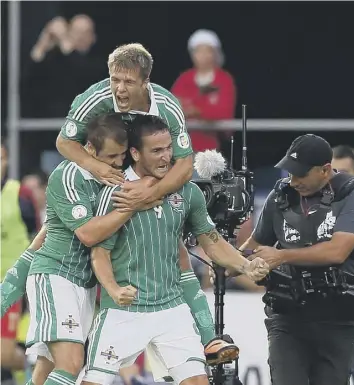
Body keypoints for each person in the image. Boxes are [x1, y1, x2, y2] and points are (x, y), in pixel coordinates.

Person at [4, 43, 237, 364]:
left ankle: (209, 337)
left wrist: (152, 193)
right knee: (50, 236)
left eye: (128, 81)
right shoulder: (95, 98)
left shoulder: (166, 104)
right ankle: (3, 301)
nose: (119, 88)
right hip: (100, 171)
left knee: (174, 249)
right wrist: (100, 168)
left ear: (146, 81)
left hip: (144, 176)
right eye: (115, 79)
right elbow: (64, 142)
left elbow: (184, 165)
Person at [83, 115, 269, 385]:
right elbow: (99, 252)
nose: (166, 157)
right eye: (156, 150)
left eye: (168, 148)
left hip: (171, 309)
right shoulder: (116, 192)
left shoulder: (187, 191)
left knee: (197, 382)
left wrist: (245, 265)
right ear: (135, 153)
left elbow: (211, 239)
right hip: (124, 310)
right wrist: (113, 289)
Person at [214, 134, 354, 385]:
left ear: (324, 170)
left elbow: (337, 251)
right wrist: (229, 265)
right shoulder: (280, 197)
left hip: (337, 317)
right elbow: (254, 245)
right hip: (288, 315)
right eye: (290, 172)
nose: (293, 180)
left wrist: (281, 256)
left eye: (300, 174)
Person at [23, 114, 160, 385]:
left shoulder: (112, 177)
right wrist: (131, 206)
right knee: (72, 363)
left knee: (46, 371)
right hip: (57, 275)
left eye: (122, 155)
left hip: (83, 284)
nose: (118, 163)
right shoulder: (69, 175)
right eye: (110, 156)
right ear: (89, 150)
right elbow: (87, 234)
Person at [1, 141, 39, 385]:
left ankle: (36, 366)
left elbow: (37, 235)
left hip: (10, 285)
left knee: (3, 353)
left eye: (2, 158)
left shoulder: (19, 193)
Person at [171, 29, 236, 152]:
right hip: (182, 146)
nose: (203, 56)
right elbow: (172, 107)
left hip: (214, 147)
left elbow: (224, 113)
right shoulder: (185, 79)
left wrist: (196, 111)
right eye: (199, 51)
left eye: (207, 51)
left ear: (215, 53)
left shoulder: (224, 79)